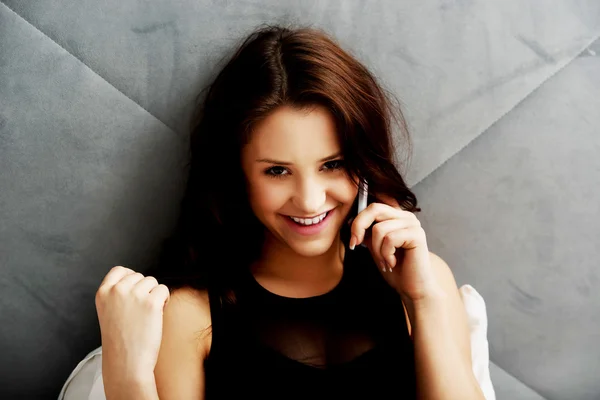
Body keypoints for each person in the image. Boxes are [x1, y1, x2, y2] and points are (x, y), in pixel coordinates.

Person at [95, 24, 485, 400]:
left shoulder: (424, 280)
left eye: (332, 164)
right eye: (277, 171)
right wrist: (126, 374)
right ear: (238, 174)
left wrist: (423, 300)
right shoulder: (190, 314)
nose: (311, 201)